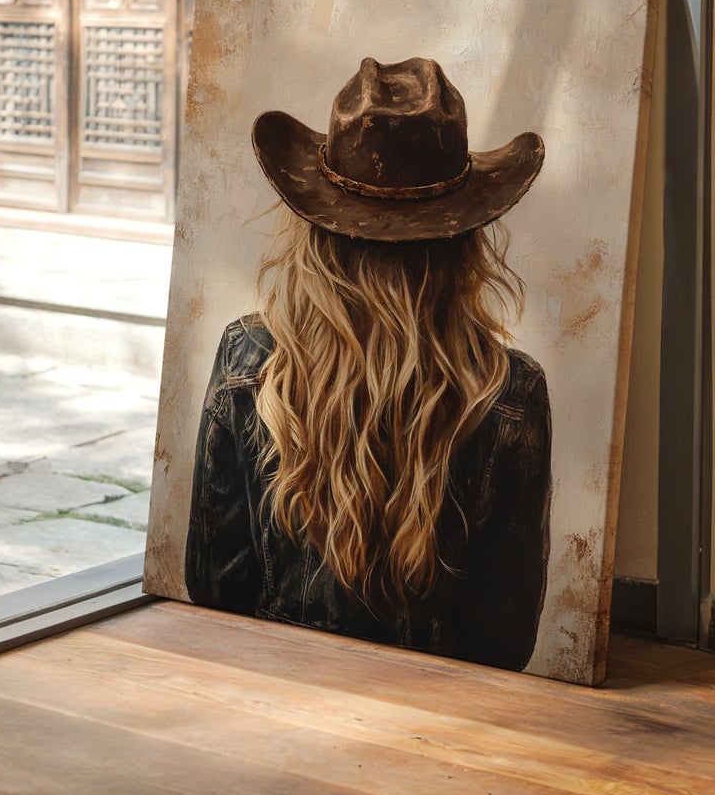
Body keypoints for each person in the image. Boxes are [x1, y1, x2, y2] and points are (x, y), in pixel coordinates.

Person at [184, 56, 553, 671]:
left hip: (266, 704)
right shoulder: (510, 392)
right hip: (439, 731)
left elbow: (214, 589)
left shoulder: (249, 359)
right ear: (465, 239)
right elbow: (505, 639)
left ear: (318, 229)